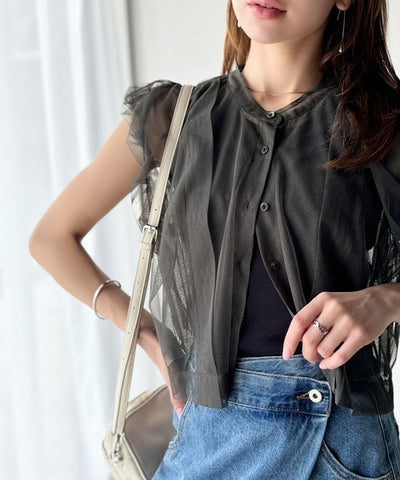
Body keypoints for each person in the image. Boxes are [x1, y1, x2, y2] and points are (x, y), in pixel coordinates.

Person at [29, 0, 400, 478]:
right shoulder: (172, 118)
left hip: (337, 443)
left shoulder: (381, 123)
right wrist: (146, 333)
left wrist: (386, 299)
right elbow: (51, 238)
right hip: (208, 438)